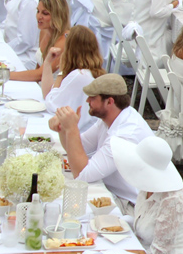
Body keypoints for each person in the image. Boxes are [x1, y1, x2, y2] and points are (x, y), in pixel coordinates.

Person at [51, 73, 155, 207]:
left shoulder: (124, 135)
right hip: (112, 193)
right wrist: (63, 128)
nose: (88, 101)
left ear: (109, 101)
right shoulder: (112, 118)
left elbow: (82, 175)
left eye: (93, 98)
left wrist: (71, 129)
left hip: (129, 205)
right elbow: (78, 147)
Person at [41, 25, 105, 116]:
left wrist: (61, 73)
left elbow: (51, 102)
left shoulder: (80, 75)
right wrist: (47, 63)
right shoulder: (90, 72)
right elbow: (48, 94)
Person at [11, 0, 70, 82]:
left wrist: (6, 74)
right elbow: (38, 66)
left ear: (57, 15)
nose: (39, 17)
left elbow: (41, 74)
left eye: (45, 13)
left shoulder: (64, 40)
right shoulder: (43, 32)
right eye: (38, 11)